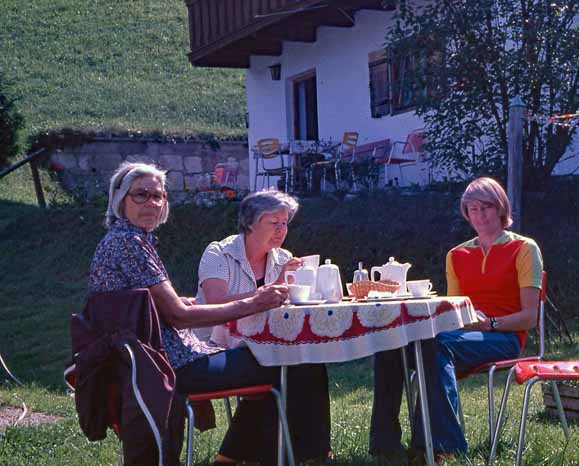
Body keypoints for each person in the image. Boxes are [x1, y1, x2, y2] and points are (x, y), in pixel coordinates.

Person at [88, 162, 328, 466]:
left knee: (281, 359)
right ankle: (296, 456)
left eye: (158, 196)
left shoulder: (130, 240)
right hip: (171, 363)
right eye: (141, 195)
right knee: (288, 360)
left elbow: (149, 307)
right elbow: (179, 318)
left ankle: (243, 455)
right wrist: (257, 301)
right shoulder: (129, 243)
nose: (151, 203)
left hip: (153, 358)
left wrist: (177, 305)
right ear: (120, 199)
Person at [369, 177, 543, 463]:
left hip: (505, 338)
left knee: (435, 346)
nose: (480, 215)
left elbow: (530, 317)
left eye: (486, 207)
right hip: (461, 336)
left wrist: (490, 324)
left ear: (501, 208)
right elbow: (452, 311)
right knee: (390, 344)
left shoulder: (524, 249)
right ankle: (384, 446)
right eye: (472, 209)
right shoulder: (457, 254)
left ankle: (442, 447)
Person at [195, 189, 332, 464]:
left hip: (268, 342)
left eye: (285, 223)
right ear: (250, 222)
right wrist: (271, 289)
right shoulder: (219, 253)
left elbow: (289, 307)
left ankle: (313, 451)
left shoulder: (284, 258)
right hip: (215, 344)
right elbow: (215, 302)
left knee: (310, 361)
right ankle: (247, 455)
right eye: (274, 223)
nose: (281, 230)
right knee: (279, 365)